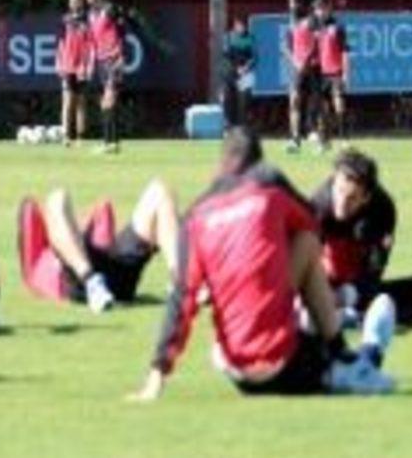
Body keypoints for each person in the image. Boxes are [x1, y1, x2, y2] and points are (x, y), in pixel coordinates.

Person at [133, 128, 398, 400]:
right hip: (284, 364)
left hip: (233, 367)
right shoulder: (269, 184)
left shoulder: (197, 214)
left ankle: (316, 327)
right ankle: (351, 353)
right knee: (306, 241)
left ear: (222, 164)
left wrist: (158, 372)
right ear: (258, 163)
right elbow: (310, 223)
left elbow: (181, 297)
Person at [311, 150, 412, 327]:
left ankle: (355, 315)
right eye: (338, 191)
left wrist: (347, 295)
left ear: (366, 198)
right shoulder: (315, 208)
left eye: (352, 198)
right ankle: (348, 315)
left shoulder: (382, 210)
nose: (342, 204)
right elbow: (303, 267)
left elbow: (374, 270)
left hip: (358, 290)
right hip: (323, 286)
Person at [16, 177, 180, 314]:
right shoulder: (60, 243)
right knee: (57, 197)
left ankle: (181, 282)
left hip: (119, 265)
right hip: (83, 276)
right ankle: (93, 284)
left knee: (160, 191)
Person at [85, 0, 132, 154]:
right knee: (105, 103)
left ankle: (110, 143)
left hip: (114, 59)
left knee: (109, 99)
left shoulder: (110, 9)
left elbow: (122, 33)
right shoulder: (90, 15)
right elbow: (93, 41)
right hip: (101, 62)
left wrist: (121, 57)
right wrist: (91, 63)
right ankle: (112, 143)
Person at [284, 0, 320, 153]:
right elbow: (287, 46)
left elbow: (316, 43)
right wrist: (295, 61)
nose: (291, 5)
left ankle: (315, 135)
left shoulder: (312, 20)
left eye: (293, 1)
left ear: (301, 2)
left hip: (312, 67)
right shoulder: (291, 22)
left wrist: (305, 61)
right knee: (294, 101)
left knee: (314, 103)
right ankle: (295, 138)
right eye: (290, 2)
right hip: (296, 68)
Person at [57, 0, 93, 146]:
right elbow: (60, 43)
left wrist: (88, 65)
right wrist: (58, 62)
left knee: (80, 102)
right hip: (67, 65)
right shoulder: (65, 20)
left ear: (81, 1)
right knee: (67, 101)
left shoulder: (88, 19)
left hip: (82, 67)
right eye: (71, 0)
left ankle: (81, 136)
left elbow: (91, 44)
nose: (73, 3)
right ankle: (66, 135)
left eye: (75, 0)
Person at [314, 0, 350, 146]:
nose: (318, 12)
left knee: (339, 103)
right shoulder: (315, 27)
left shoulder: (338, 27)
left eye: (321, 9)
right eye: (316, 9)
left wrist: (346, 74)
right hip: (320, 73)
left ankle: (343, 137)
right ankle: (324, 138)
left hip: (336, 71)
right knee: (322, 107)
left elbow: (345, 52)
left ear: (328, 9)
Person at [220, 15, 255, 129]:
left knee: (245, 100)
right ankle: (229, 125)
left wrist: (246, 67)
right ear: (235, 26)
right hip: (230, 73)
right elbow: (226, 56)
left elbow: (254, 56)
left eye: (244, 26)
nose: (243, 28)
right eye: (240, 25)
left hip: (246, 74)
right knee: (229, 98)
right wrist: (236, 69)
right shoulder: (228, 37)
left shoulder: (250, 38)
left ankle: (244, 125)